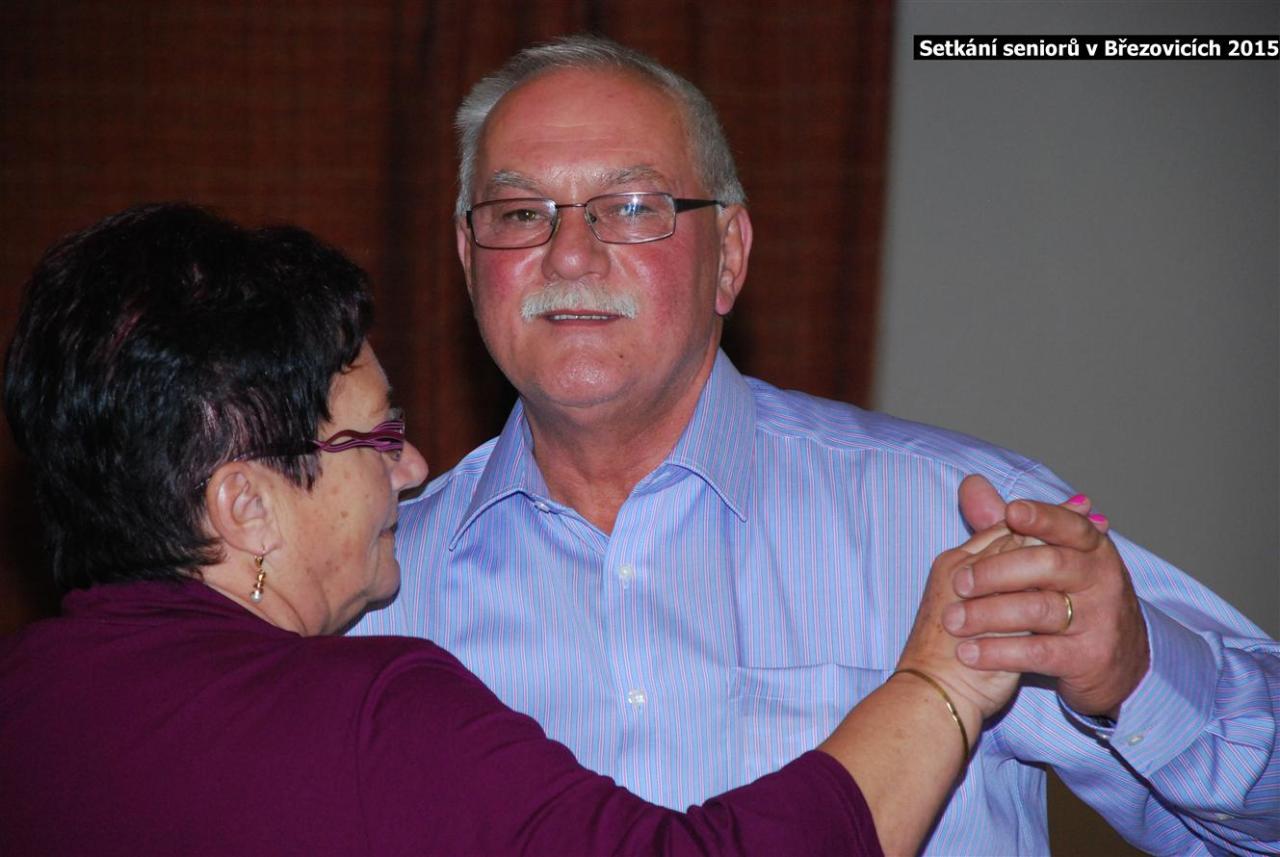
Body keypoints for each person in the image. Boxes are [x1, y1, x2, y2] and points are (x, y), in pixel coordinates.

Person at [351, 35, 1280, 855]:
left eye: (631, 206)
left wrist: (1138, 673)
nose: (568, 254)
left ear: (730, 256)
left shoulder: (955, 517)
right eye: (520, 213)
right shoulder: (369, 590)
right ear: (469, 262)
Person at [0, 202, 1049, 856]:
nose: (412, 467)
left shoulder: (26, 696)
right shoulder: (369, 712)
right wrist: (940, 684)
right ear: (247, 506)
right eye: (378, 436)